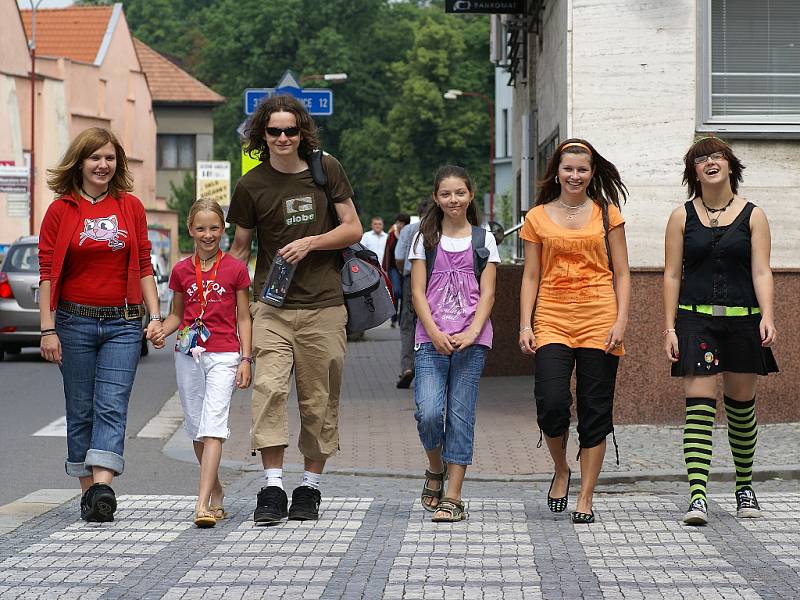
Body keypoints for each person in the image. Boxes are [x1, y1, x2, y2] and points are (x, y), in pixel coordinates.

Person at [227, 94, 362, 524]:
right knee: (268, 389)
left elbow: (353, 227)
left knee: (318, 400)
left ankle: (309, 487)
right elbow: (241, 248)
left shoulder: (327, 169)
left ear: (302, 132)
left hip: (324, 305)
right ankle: (271, 487)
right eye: (274, 131)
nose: (283, 138)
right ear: (260, 135)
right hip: (272, 305)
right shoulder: (251, 185)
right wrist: (214, 287)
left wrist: (311, 242)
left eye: (290, 130)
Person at [38, 127, 163, 522]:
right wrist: (48, 328)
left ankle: (103, 488)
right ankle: (88, 492)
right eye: (95, 157)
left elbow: (144, 264)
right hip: (74, 321)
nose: (103, 165)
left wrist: (155, 315)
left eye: (109, 158)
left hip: (123, 322)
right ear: (80, 162)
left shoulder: (131, 208)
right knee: (81, 409)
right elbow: (47, 273)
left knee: (112, 405)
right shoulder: (61, 211)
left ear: (117, 163)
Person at [663, 137, 778, 526]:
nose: (709, 162)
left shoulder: (754, 215)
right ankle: (698, 495)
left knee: (741, 406)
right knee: (698, 402)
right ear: (693, 171)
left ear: (730, 165)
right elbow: (670, 274)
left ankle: (745, 487)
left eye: (716, 156)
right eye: (700, 159)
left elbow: (762, 270)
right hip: (695, 319)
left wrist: (768, 316)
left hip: (744, 318)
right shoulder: (681, 217)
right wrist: (668, 328)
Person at [518, 138, 630, 525]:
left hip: (600, 317)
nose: (575, 175)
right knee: (551, 403)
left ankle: (586, 494)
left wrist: (620, 321)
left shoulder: (607, 214)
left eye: (582, 169)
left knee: (594, 410)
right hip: (551, 317)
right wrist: (524, 323)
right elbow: (531, 275)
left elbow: (623, 272)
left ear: (592, 173)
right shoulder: (536, 217)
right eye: (569, 168)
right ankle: (561, 469)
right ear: (557, 172)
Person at [152, 198, 253, 528]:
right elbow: (177, 316)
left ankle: (201, 505)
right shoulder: (181, 270)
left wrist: (246, 358)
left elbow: (244, 318)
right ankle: (217, 491)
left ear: (223, 229)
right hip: (188, 354)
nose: (208, 235)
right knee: (196, 428)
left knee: (213, 425)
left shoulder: (236, 269)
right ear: (190, 230)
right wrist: (159, 332)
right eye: (201, 228)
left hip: (224, 354)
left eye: (214, 228)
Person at [410, 165, 499, 522]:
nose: (453, 200)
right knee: (429, 412)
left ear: (470, 195)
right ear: (436, 197)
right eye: (446, 194)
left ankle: (454, 496)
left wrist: (472, 332)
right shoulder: (424, 238)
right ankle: (435, 467)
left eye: (459, 193)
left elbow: (489, 293)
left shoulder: (484, 238)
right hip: (430, 339)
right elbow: (417, 292)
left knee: (461, 415)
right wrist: (433, 331)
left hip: (471, 342)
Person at [394, 201, 430, 388]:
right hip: (434, 280)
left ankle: (407, 367)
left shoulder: (409, 230)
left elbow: (399, 257)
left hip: (411, 279)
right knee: (430, 323)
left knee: (408, 323)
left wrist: (404, 272)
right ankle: (428, 370)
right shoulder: (441, 229)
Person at [383, 213, 411, 327]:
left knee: (405, 293)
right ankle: (394, 316)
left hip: (406, 268)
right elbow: (387, 252)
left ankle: (401, 317)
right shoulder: (392, 235)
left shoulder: (410, 235)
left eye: (402, 223)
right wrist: (384, 268)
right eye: (398, 223)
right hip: (394, 268)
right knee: (396, 291)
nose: (399, 225)